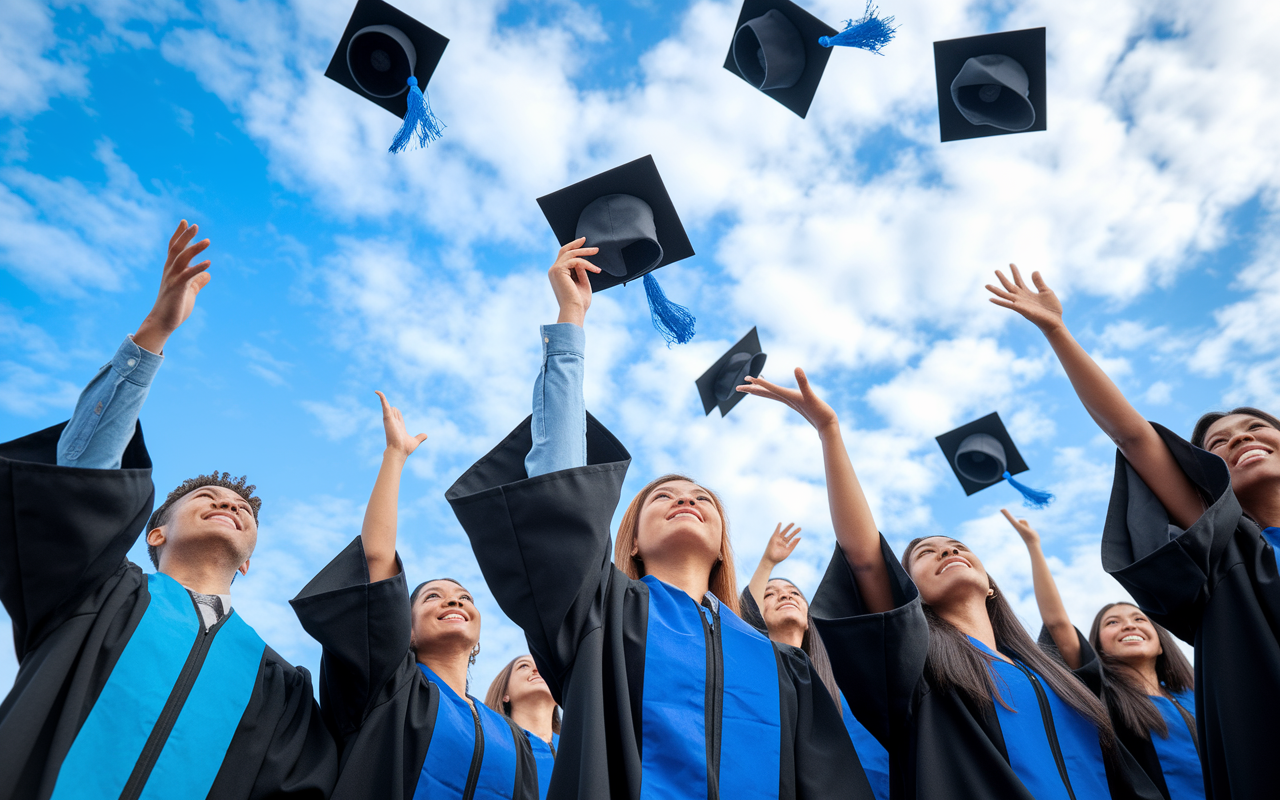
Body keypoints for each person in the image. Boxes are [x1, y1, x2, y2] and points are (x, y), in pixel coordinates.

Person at [444, 239, 877, 799]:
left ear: (723, 545)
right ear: (635, 541)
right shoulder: (598, 611)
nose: (684, 500)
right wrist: (571, 321)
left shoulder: (781, 666)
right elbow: (557, 488)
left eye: (701, 497)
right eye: (661, 498)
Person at [0, 220, 337, 799]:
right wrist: (154, 333)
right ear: (153, 533)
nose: (228, 503)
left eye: (242, 509)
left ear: (249, 563)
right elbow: (82, 475)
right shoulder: (93, 593)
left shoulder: (277, 682)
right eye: (206, 497)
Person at [988, 264, 1280, 799]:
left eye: (1257, 428)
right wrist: (1058, 331)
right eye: (1219, 444)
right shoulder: (1227, 548)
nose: (1240, 440)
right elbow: (1134, 436)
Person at [290, 393, 537, 800]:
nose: (454, 602)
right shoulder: (392, 687)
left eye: (464, 597)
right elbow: (376, 561)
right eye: (433, 597)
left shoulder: (513, 738)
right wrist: (395, 457)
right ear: (405, 630)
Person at [1003, 510, 1203, 800]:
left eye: (1139, 618)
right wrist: (1034, 546)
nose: (1128, 625)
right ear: (1098, 646)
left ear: (1161, 643)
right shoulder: (1102, 693)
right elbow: (1057, 624)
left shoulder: (1197, 696)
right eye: (1112, 622)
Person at [741, 523, 891, 800]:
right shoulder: (749, 675)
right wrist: (768, 562)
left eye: (794, 593)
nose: (785, 595)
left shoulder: (842, 684)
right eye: (769, 594)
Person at [485, 656, 559, 800]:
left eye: (543, 665)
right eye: (524, 666)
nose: (537, 669)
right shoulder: (489, 746)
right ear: (505, 694)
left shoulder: (580, 750)